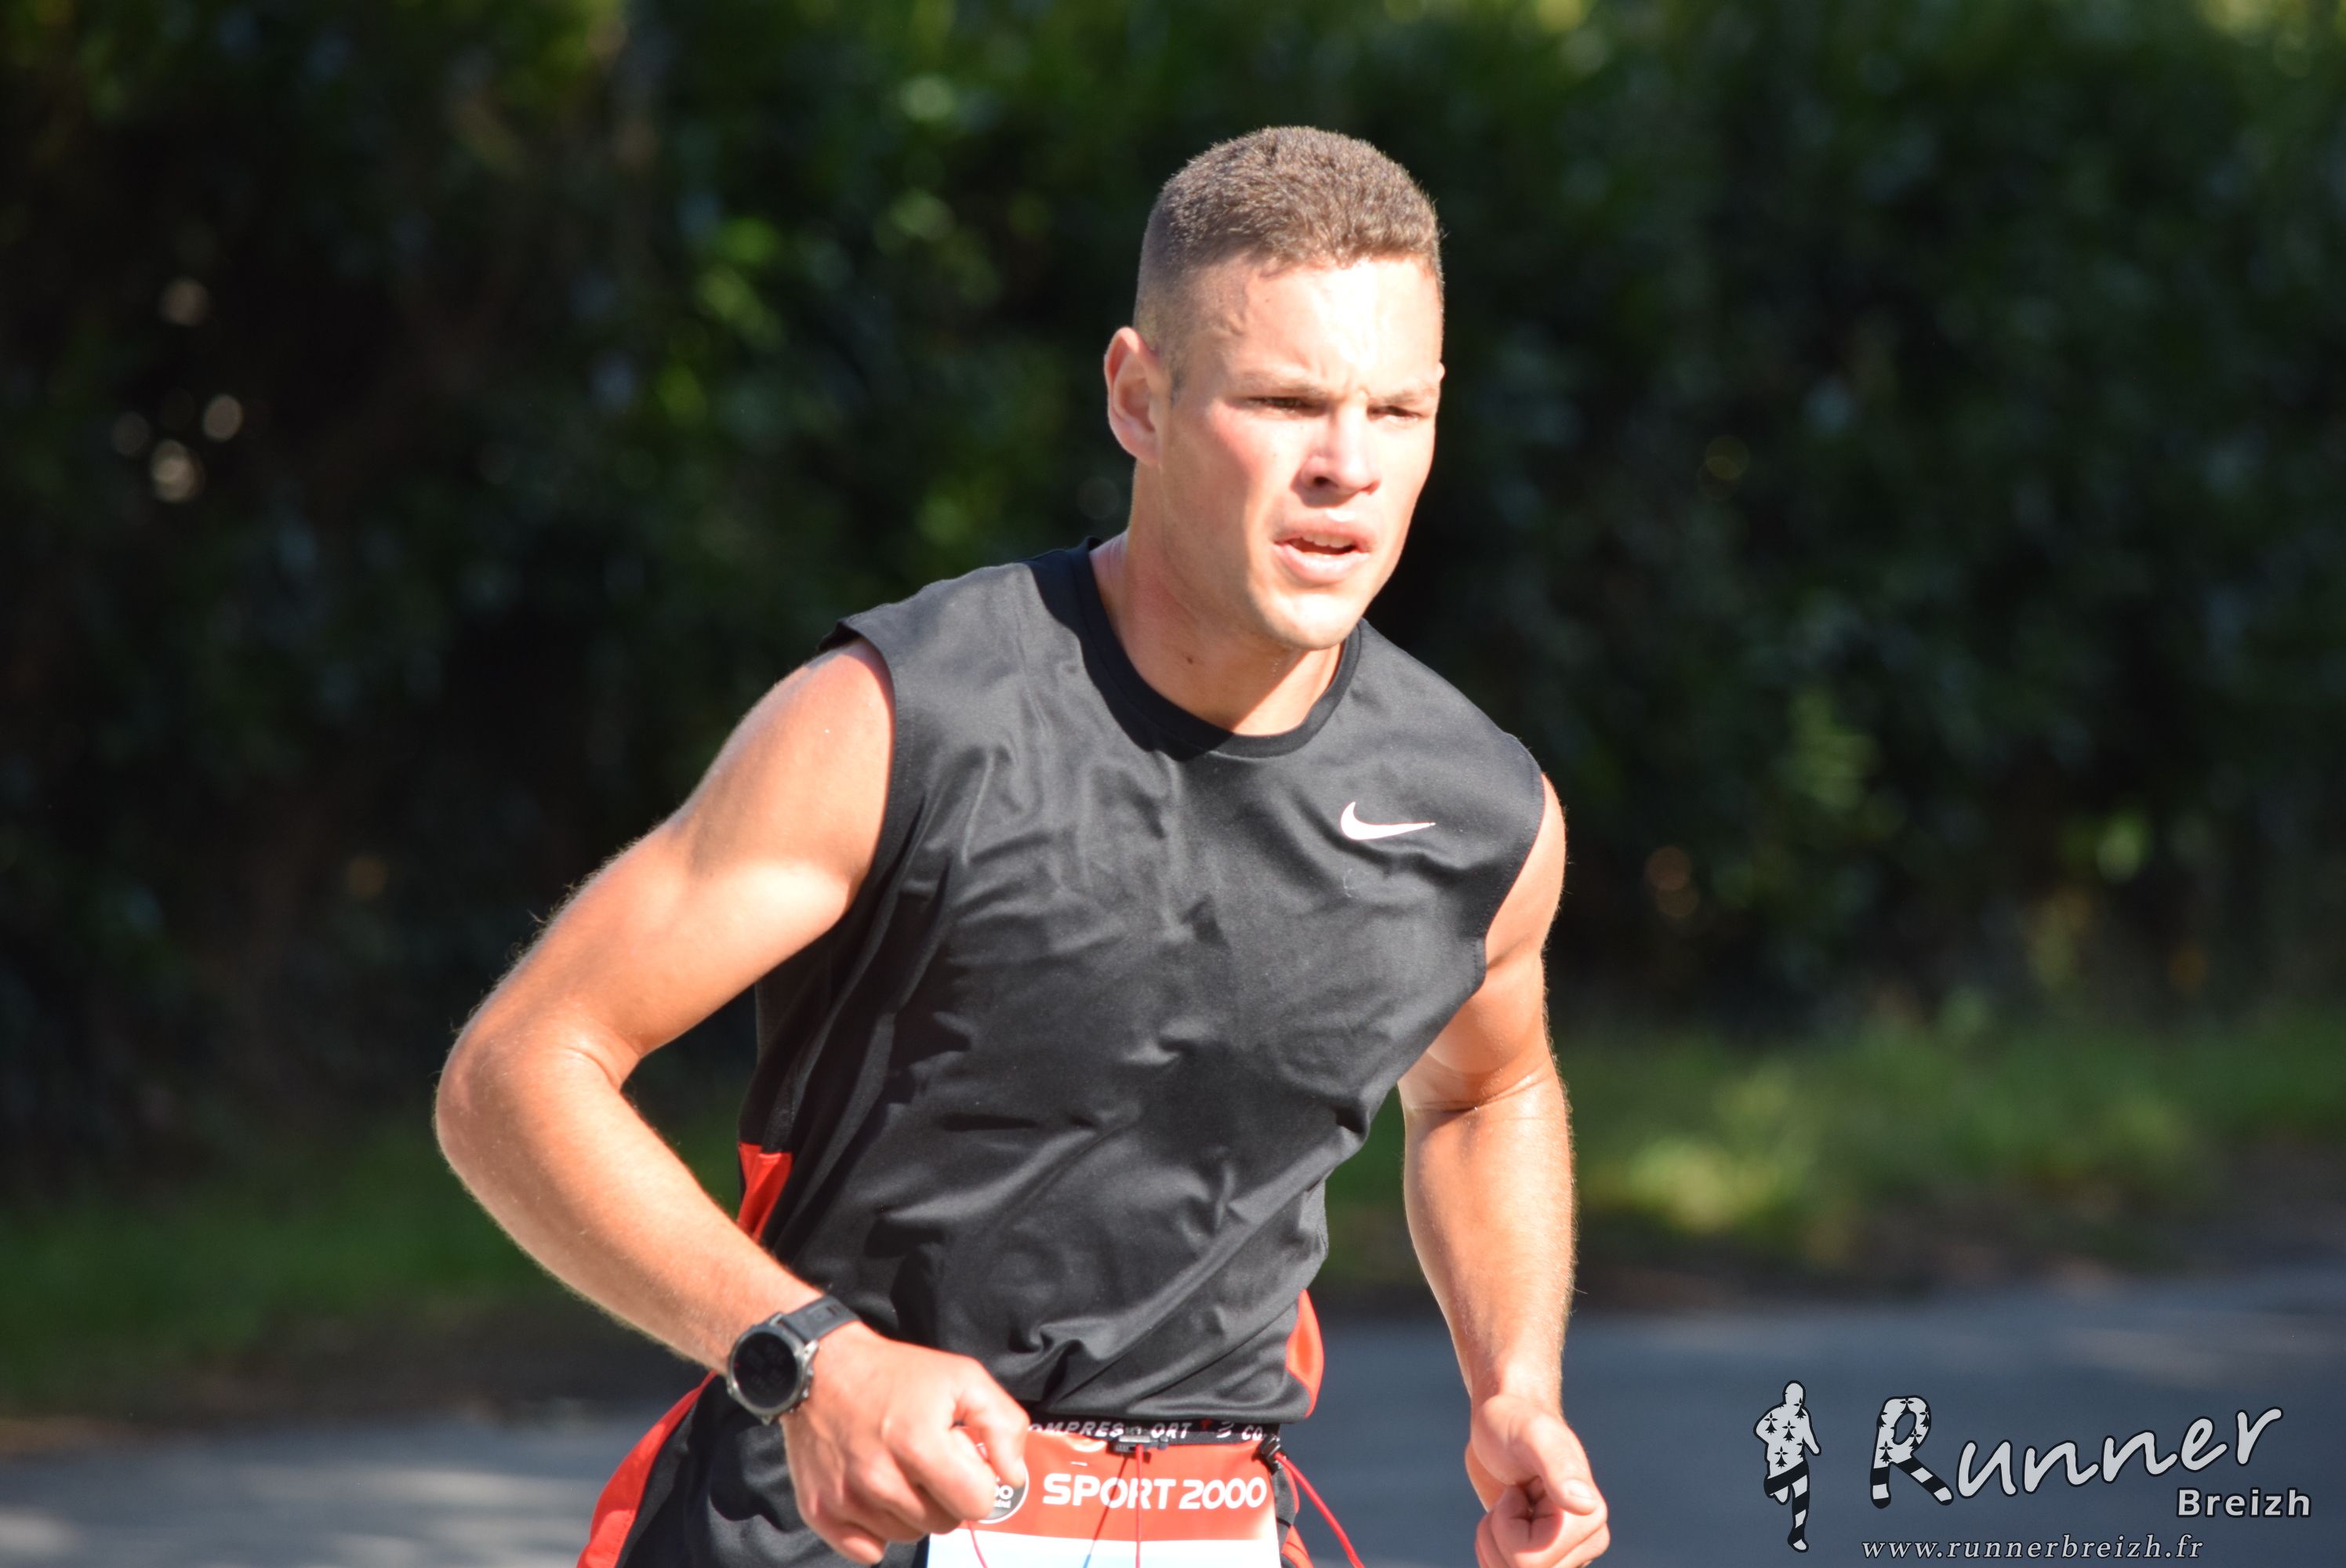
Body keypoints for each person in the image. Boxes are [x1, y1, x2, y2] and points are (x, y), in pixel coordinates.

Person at [436, 125, 1610, 1568]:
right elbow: (517, 1070)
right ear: (1138, 397)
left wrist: (1515, 1384)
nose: (1347, 468)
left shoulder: (1478, 808)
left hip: (1211, 1526)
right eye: (1286, 401)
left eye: (1399, 411)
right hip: (833, 1519)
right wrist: (810, 1355)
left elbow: (1488, 1089)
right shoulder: (901, 719)